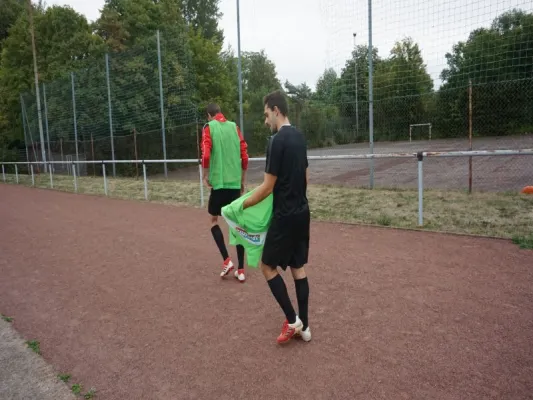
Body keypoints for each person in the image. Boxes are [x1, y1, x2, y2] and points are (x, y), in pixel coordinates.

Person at [242, 90, 311, 344]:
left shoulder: (276, 142)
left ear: (276, 110)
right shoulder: (301, 137)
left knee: (267, 266)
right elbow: (306, 178)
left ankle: (292, 320)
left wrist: (243, 205)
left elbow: (267, 187)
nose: (265, 120)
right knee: (298, 267)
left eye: (266, 114)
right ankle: (305, 328)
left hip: (284, 216)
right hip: (303, 213)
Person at [201, 103, 249, 282]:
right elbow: (245, 156)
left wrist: (205, 175)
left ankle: (227, 261)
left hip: (219, 185)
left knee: (214, 220)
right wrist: (242, 180)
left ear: (209, 115)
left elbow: (206, 154)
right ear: (221, 113)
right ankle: (242, 270)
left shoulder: (209, 127)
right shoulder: (234, 127)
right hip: (235, 184)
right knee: (236, 224)